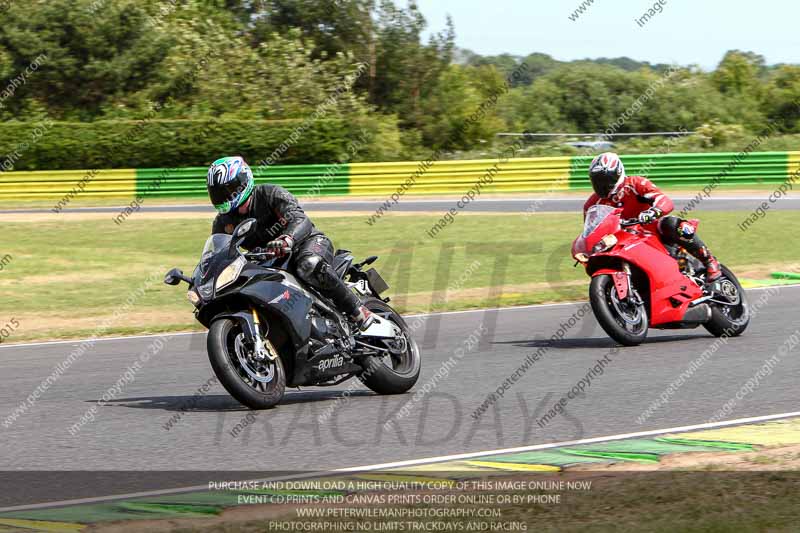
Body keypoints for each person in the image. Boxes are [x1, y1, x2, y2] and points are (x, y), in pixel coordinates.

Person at [206, 156, 375, 329]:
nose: (224, 196)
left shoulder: (270, 194)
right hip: (270, 261)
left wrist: (287, 239)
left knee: (308, 264)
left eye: (228, 189)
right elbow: (220, 253)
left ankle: (358, 310)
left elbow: (300, 219)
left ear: (243, 181)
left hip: (306, 243)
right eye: (217, 193)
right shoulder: (222, 222)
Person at [583, 152, 721, 281]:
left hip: (651, 230)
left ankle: (709, 260)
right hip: (622, 239)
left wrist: (653, 212)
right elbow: (591, 231)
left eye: (606, 179)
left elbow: (664, 200)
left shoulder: (635, 184)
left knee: (672, 224)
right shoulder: (592, 203)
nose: (602, 185)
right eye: (598, 180)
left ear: (618, 173)